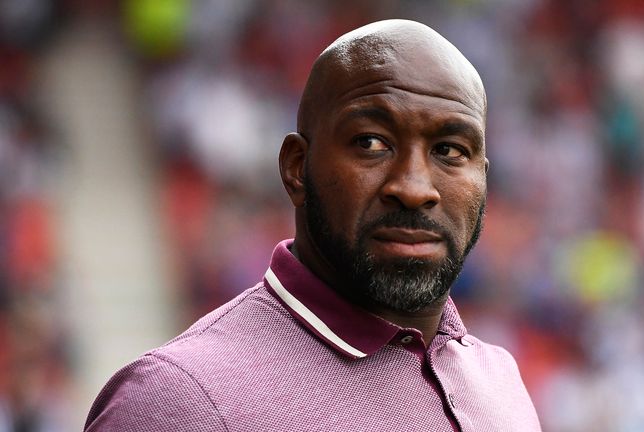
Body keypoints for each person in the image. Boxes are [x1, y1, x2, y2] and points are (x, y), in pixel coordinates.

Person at [84, 19, 541, 431]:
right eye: (371, 142)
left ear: (483, 176)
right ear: (297, 168)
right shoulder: (176, 404)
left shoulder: (500, 381)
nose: (415, 187)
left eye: (450, 150)